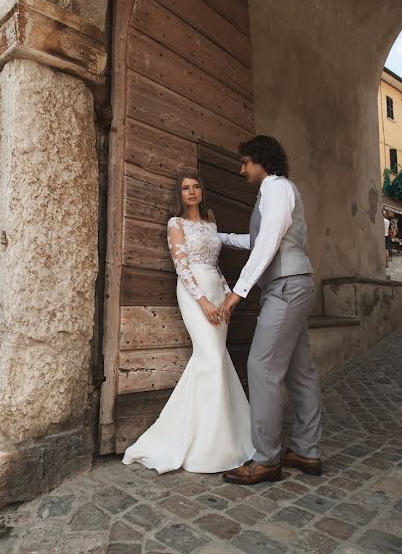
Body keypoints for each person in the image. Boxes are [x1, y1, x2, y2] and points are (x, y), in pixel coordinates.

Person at [122, 174, 254, 474]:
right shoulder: (175, 224)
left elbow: (215, 264)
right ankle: (205, 444)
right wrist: (204, 301)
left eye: (196, 186)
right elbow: (181, 267)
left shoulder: (210, 222)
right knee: (210, 357)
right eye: (186, 188)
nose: (192, 191)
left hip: (216, 290)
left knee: (217, 359)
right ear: (179, 194)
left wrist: (225, 299)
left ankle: (228, 436)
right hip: (193, 293)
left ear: (201, 191)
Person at [216, 135, 320, 485]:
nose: (241, 169)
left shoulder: (275, 188)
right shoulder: (275, 192)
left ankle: (265, 459)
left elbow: (271, 239)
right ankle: (307, 450)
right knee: (300, 371)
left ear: (262, 161)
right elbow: (258, 241)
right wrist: (218, 237)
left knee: (260, 365)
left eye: (246, 162)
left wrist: (237, 292)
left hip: (286, 287)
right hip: (295, 284)